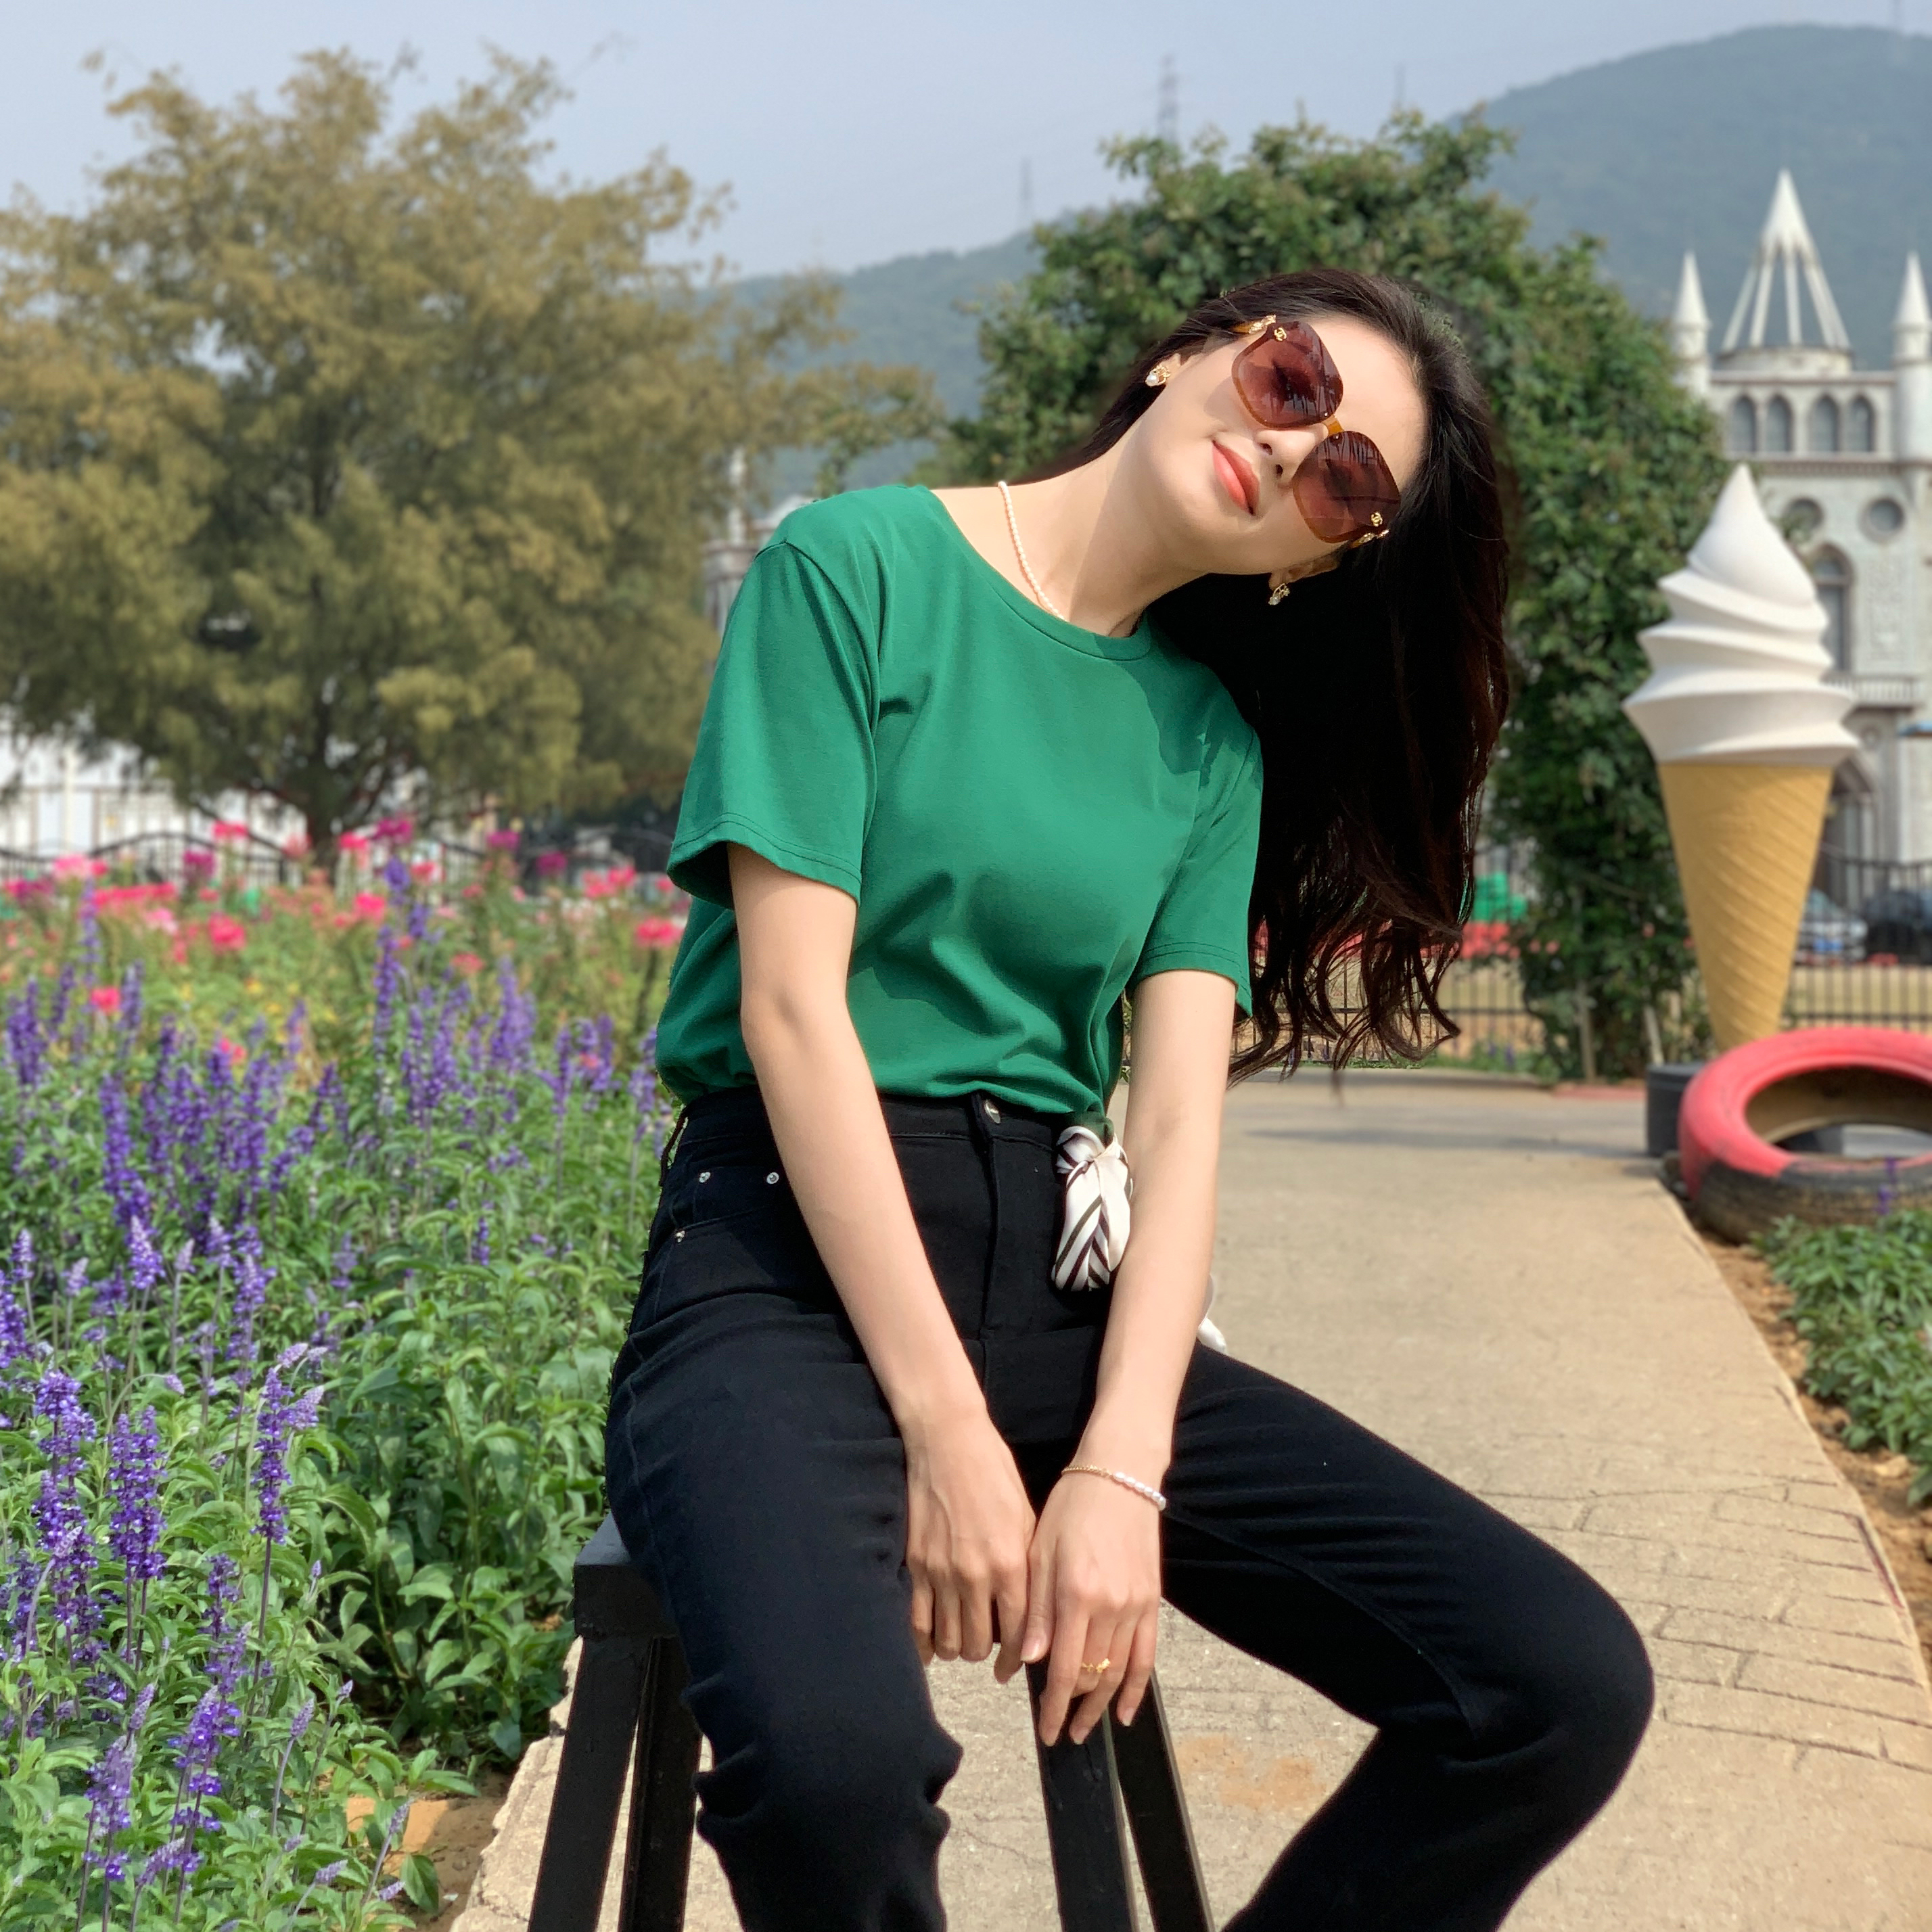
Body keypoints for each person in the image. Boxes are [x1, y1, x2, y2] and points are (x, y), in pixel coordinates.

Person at [603, 267, 1653, 1931]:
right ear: (1192, 354)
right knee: (835, 1771)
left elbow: (1169, 1136)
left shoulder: (1208, 744)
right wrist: (952, 1435)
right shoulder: (853, 567)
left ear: (1317, 559)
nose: (1292, 449)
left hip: (1060, 1290)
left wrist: (1119, 1472)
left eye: (1347, 481)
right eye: (1294, 382)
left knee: (1554, 1683)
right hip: (785, 1275)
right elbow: (796, 1018)